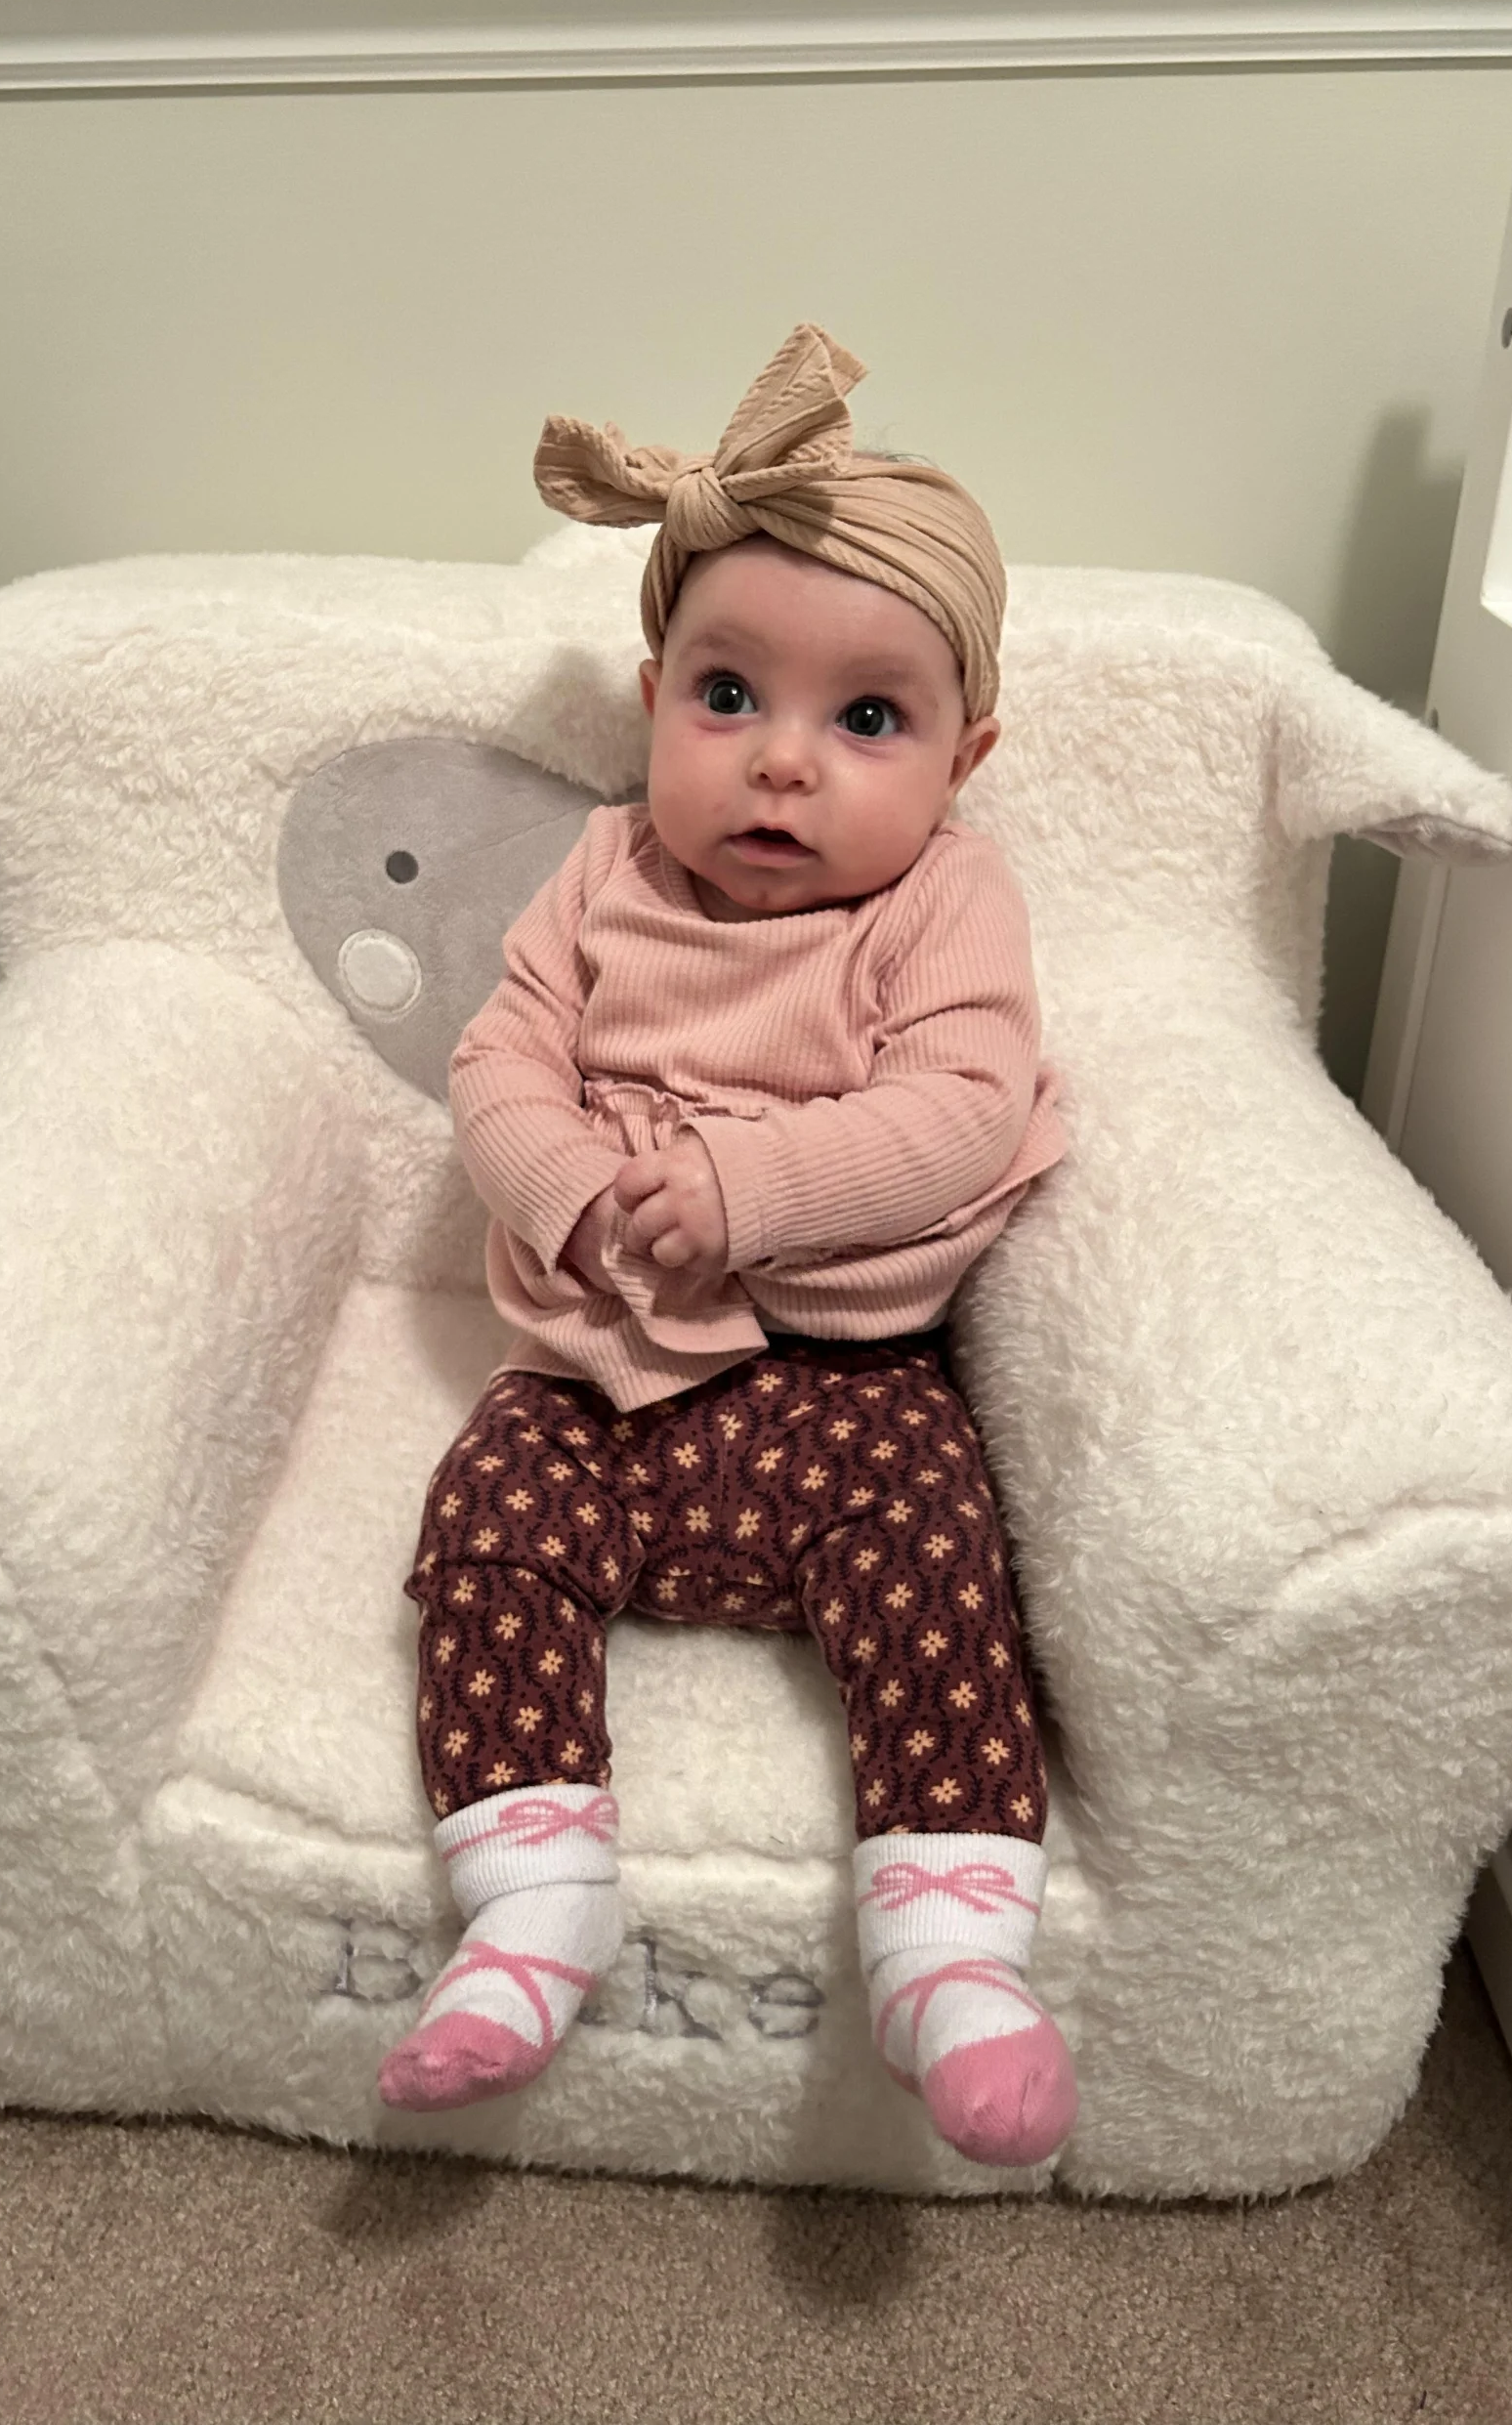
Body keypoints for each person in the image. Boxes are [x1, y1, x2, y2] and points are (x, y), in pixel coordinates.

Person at [378, 324, 1076, 2167]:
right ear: (651, 697)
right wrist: (570, 1189)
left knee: (943, 1567)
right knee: (479, 1532)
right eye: (729, 697)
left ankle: (952, 1951)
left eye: (866, 721)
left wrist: (758, 1195)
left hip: (850, 1383)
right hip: (600, 1369)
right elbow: (501, 1054)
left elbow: (964, 1105)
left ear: (961, 755)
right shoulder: (603, 875)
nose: (784, 767)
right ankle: (534, 1905)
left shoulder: (945, 899)